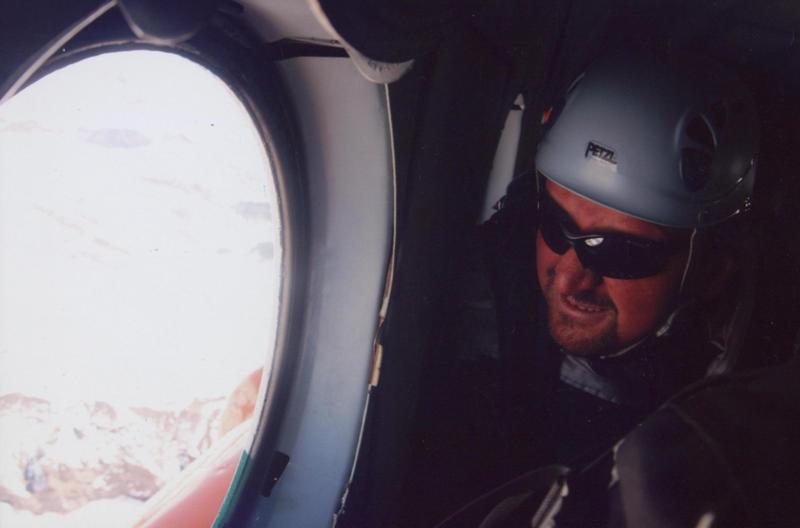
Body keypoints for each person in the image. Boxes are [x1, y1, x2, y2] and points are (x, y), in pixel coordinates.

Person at [402, 49, 761, 526]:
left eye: (620, 252)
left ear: (711, 270)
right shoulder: (465, 302)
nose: (570, 278)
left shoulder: (745, 421)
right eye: (555, 225)